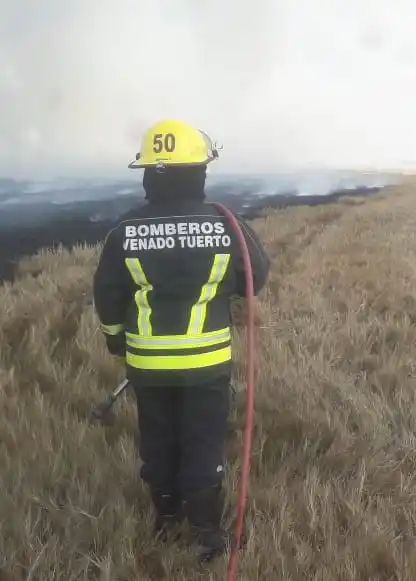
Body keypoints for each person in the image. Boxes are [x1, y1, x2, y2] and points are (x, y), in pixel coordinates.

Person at [91, 119, 271, 562]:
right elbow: (257, 276)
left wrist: (117, 341)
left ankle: (165, 517)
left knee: (158, 436)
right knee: (202, 439)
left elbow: (108, 295)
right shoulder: (226, 225)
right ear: (200, 173)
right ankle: (208, 532)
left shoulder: (123, 231)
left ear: (150, 174)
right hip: (206, 365)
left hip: (148, 366)